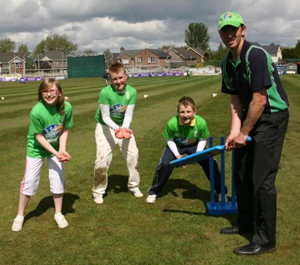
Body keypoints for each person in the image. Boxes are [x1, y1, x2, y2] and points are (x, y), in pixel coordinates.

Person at [218, 11, 289, 255]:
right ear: (220, 34)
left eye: (233, 29)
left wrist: (244, 131)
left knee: (262, 179)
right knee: (241, 173)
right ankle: (245, 223)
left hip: (271, 117)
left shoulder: (255, 55)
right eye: (225, 30)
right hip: (251, 115)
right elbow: (236, 100)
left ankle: (265, 239)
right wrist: (233, 133)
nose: (229, 34)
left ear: (243, 30)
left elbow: (259, 100)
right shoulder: (227, 61)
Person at [11, 78, 74, 232]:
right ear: (40, 93)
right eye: (45, 91)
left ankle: (58, 213)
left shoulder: (67, 107)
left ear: (59, 92)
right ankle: (19, 216)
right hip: (36, 148)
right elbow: (38, 136)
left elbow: (64, 129)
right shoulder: (37, 111)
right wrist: (56, 152)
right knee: (30, 181)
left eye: (52, 90)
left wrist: (62, 149)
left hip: (56, 147)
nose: (49, 94)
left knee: (57, 178)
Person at [146, 96, 227, 204]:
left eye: (188, 111)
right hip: (176, 145)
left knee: (210, 163)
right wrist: (177, 155)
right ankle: (153, 192)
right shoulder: (172, 123)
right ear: (178, 112)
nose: (185, 115)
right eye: (182, 112)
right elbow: (169, 139)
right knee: (165, 164)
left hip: (195, 145)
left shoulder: (201, 122)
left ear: (194, 112)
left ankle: (221, 192)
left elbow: (203, 139)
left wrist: (198, 154)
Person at [92, 63, 143, 204]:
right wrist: (117, 129)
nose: (118, 82)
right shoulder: (105, 92)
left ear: (126, 76)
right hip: (105, 127)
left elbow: (128, 115)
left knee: (133, 155)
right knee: (102, 160)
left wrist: (124, 129)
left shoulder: (132, 92)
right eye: (114, 79)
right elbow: (106, 117)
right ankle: (98, 191)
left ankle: (134, 186)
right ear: (110, 79)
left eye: (121, 78)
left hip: (123, 126)